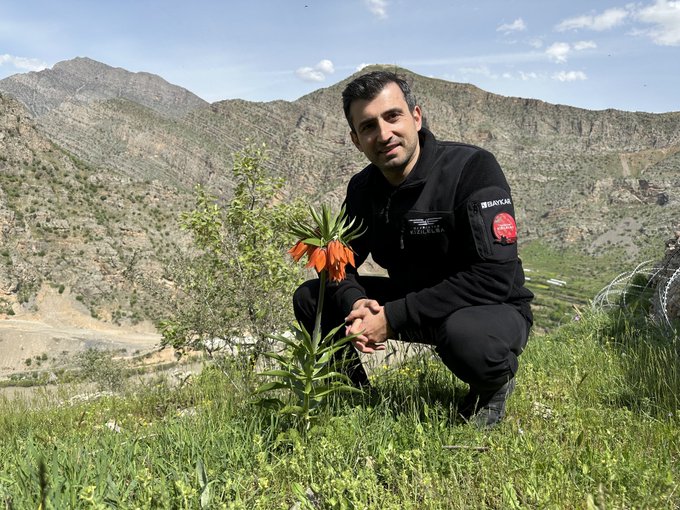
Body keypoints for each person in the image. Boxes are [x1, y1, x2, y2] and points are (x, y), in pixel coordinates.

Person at [293, 70, 533, 428]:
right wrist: (357, 302)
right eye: (369, 126)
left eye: (393, 116)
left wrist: (392, 318)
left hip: (487, 307)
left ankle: (493, 385)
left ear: (416, 117)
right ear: (356, 140)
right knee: (314, 296)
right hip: (418, 302)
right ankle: (352, 394)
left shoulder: (473, 168)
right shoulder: (362, 189)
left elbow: (493, 277)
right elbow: (337, 264)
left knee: (465, 336)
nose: (384, 134)